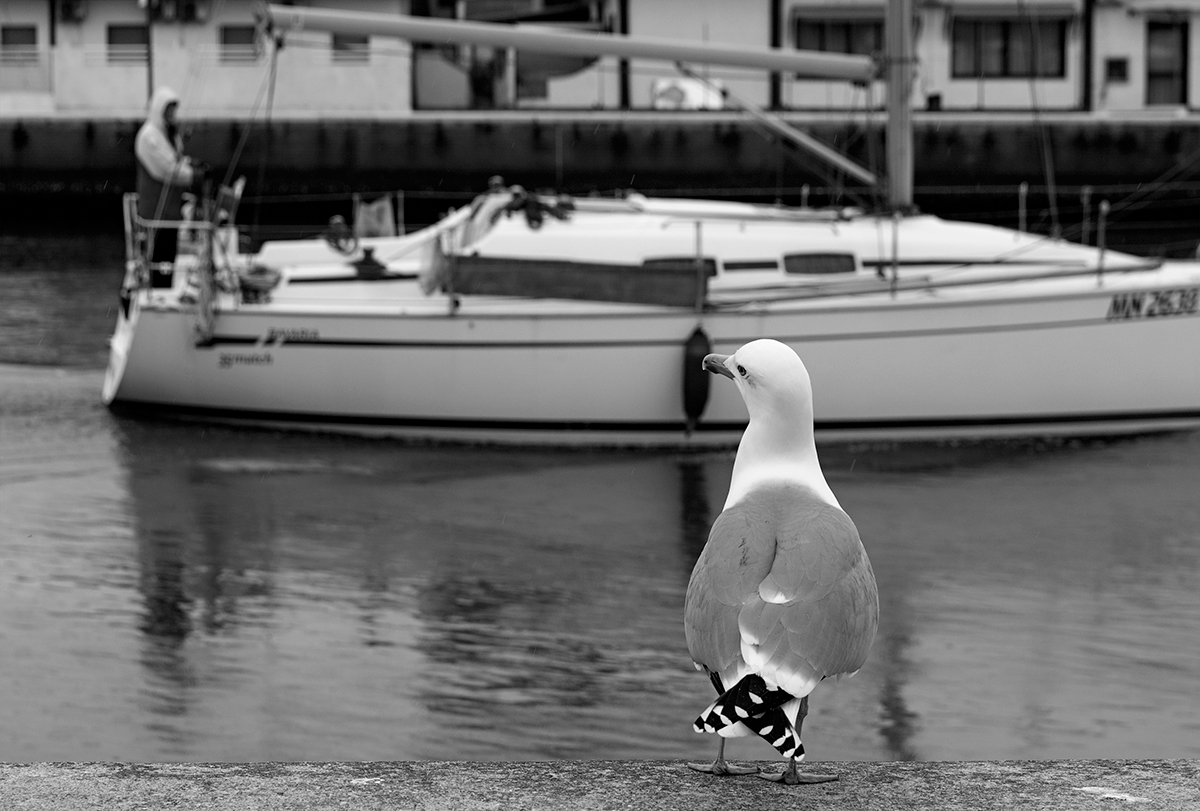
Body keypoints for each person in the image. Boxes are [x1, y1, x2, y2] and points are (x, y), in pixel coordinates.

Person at [135, 86, 207, 269]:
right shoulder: (149, 136)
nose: (172, 114)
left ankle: (163, 284)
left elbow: (175, 158)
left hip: (169, 210)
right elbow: (166, 169)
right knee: (161, 256)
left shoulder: (165, 134)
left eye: (174, 110)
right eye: (169, 109)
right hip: (157, 212)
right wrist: (194, 176)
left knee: (168, 253)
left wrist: (192, 163)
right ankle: (158, 286)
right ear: (159, 109)